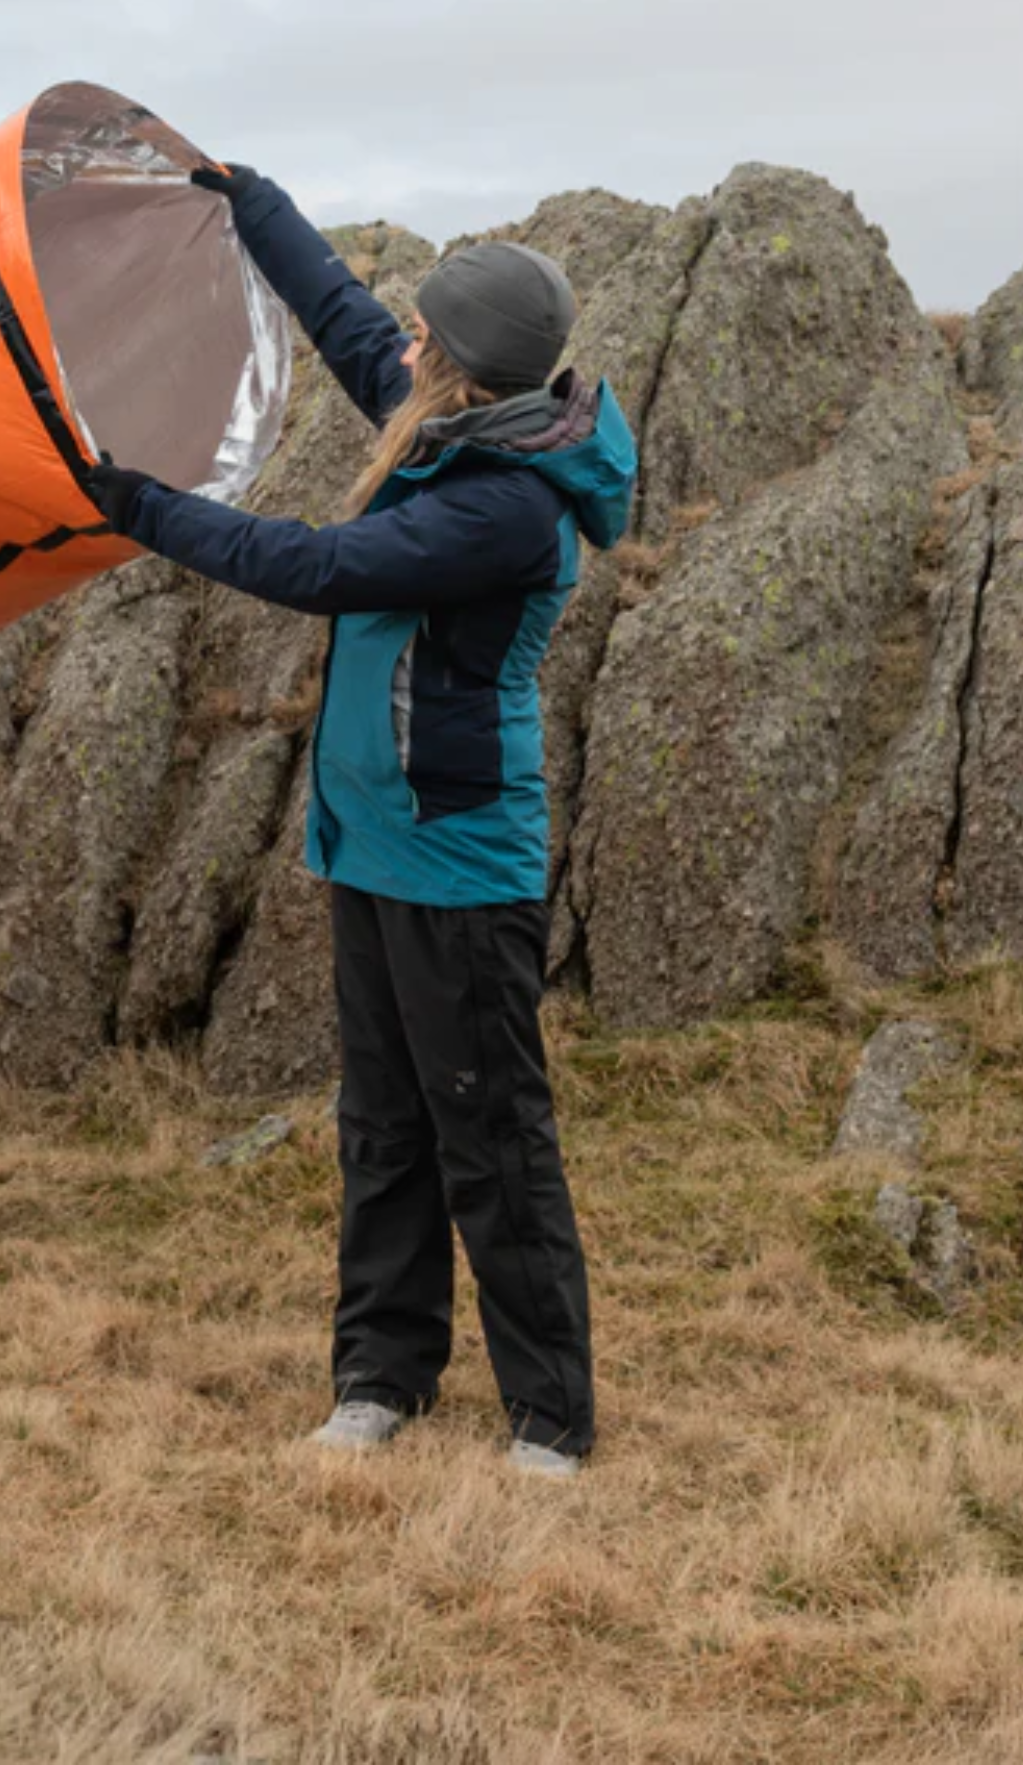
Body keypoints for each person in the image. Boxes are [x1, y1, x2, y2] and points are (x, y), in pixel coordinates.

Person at [79, 161, 636, 1477]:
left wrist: (136, 502)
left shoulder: (505, 508)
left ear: (470, 363)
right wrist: (248, 197)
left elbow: (318, 570)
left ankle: (550, 1419)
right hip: (376, 848)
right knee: (383, 1125)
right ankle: (383, 1379)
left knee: (489, 1136)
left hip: (458, 864)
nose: (412, 340)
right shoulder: (460, 421)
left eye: (432, 331)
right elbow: (343, 315)